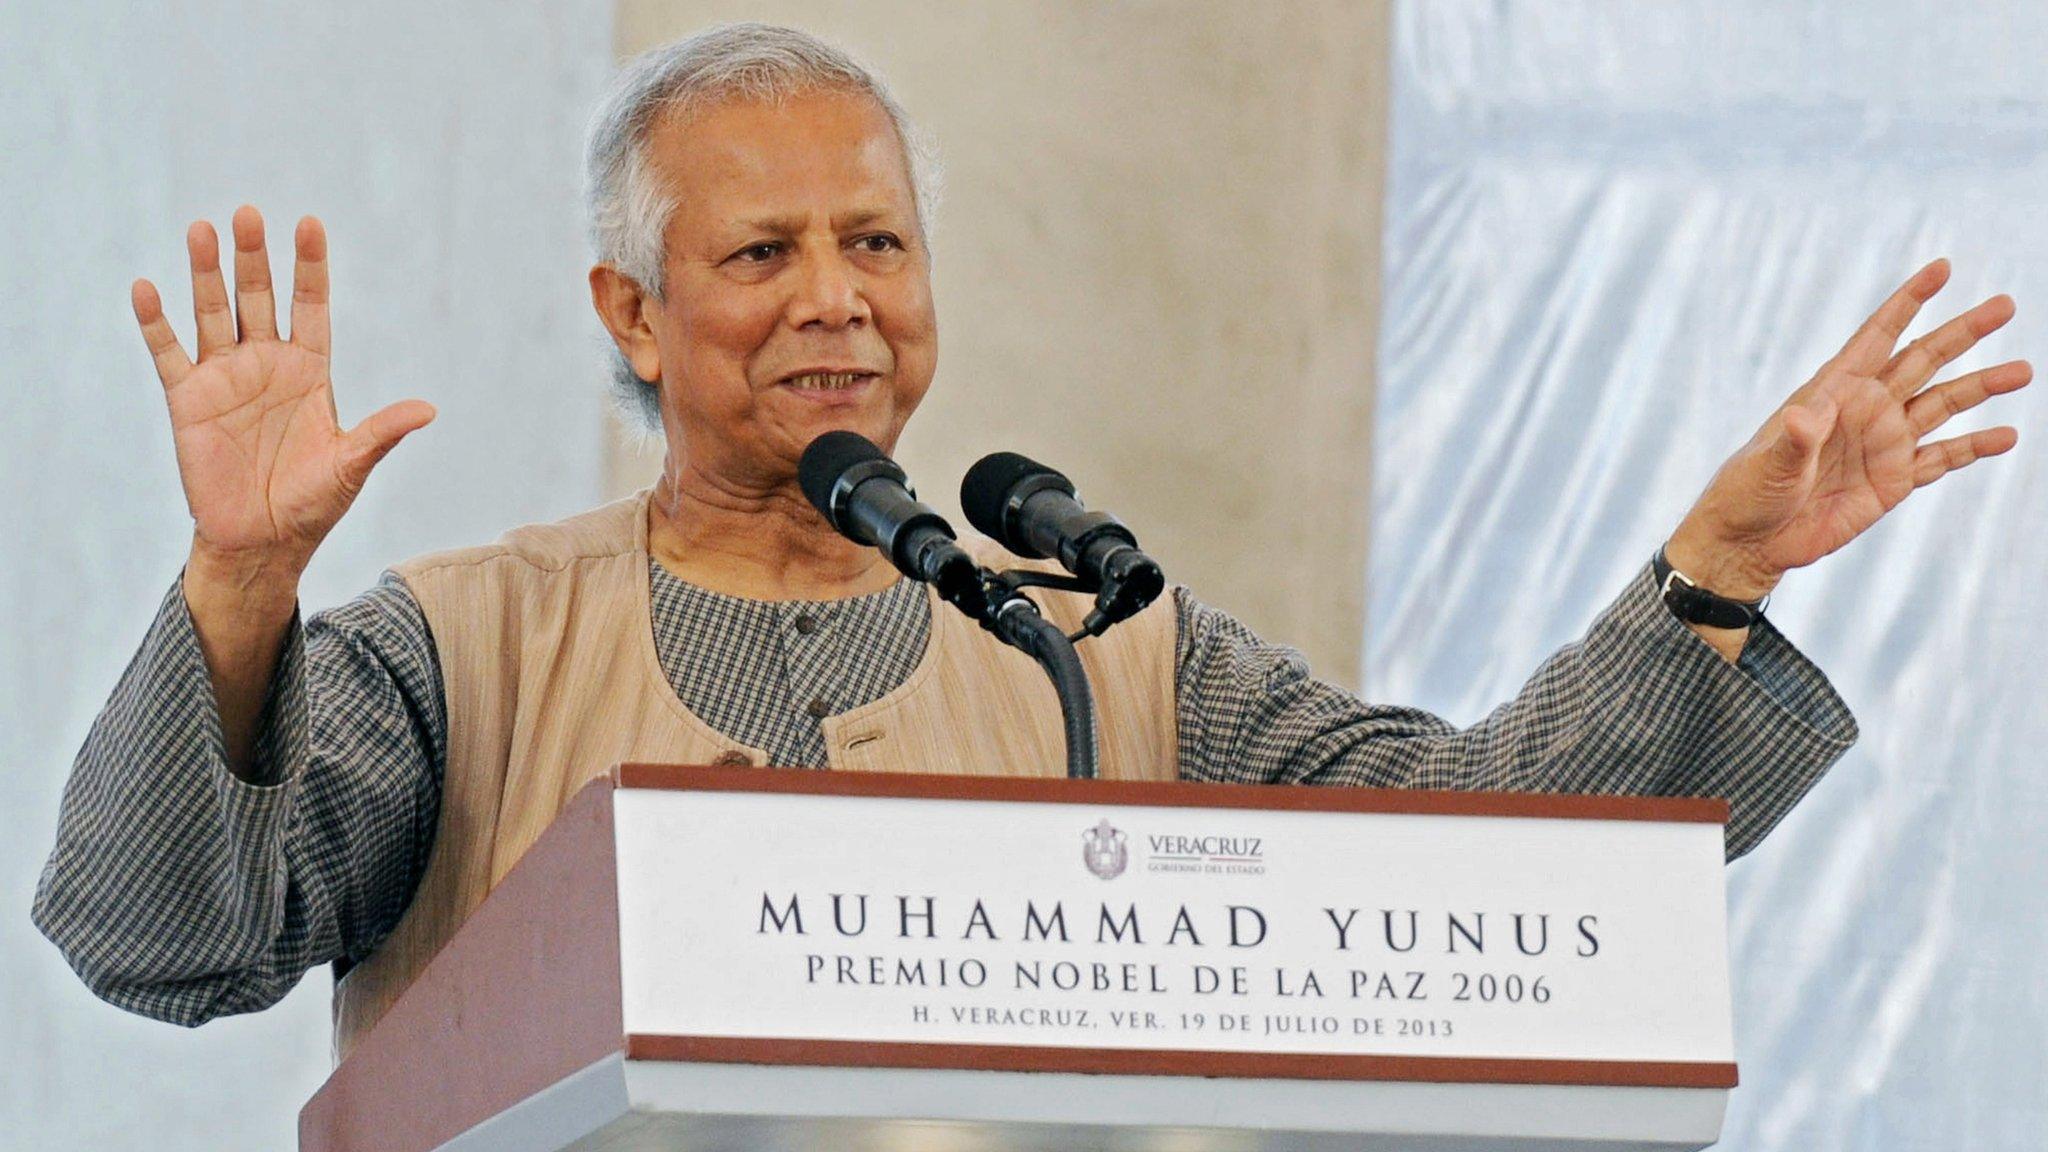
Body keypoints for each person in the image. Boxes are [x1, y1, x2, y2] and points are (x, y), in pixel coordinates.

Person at [32, 24, 2029, 1058]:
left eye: (878, 243)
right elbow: (162, 939)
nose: (837, 298)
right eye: (760, 254)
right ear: (630, 315)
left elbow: (1484, 847)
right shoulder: (449, 651)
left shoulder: (1103, 642)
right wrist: (239, 588)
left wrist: (1708, 575)